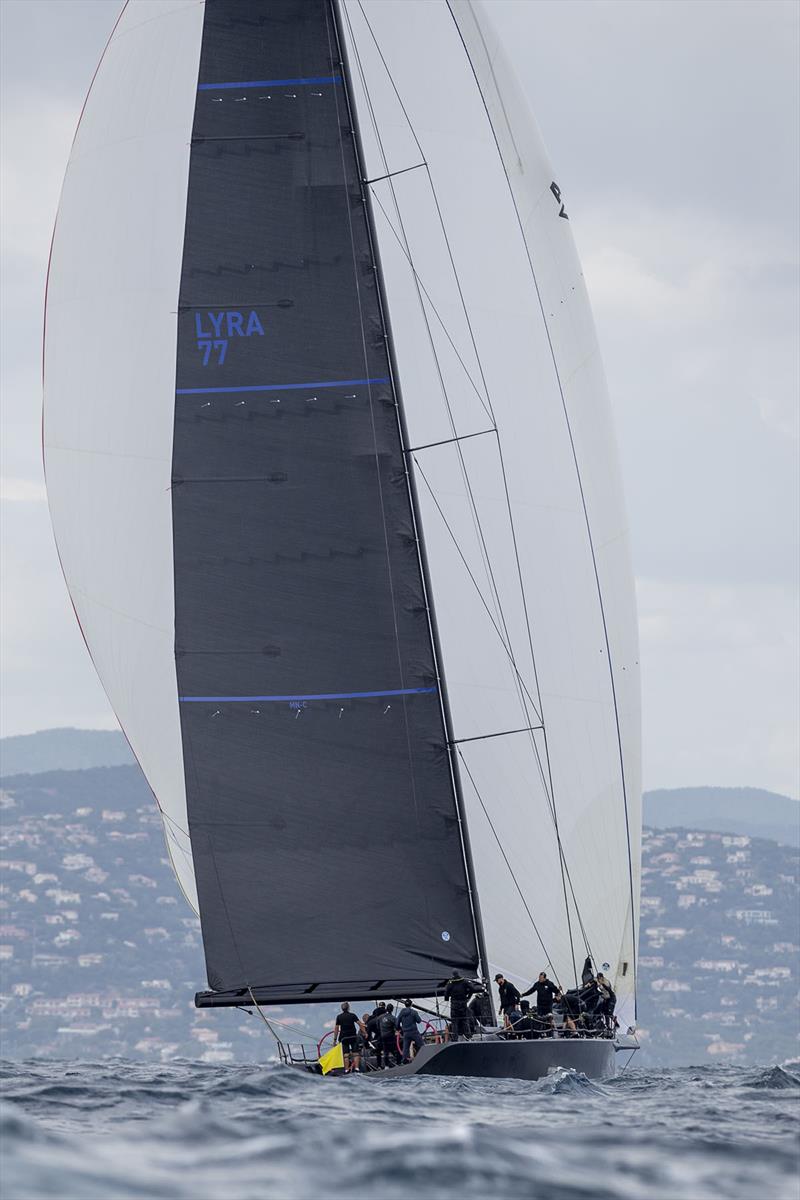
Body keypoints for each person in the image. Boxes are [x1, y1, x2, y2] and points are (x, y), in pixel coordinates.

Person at [444, 970, 478, 1042]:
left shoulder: (450, 983)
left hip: (454, 1005)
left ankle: (455, 1040)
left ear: (453, 975)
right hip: (463, 1004)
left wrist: (446, 999)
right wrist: (468, 996)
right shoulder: (465, 981)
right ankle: (469, 1037)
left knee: (454, 1022)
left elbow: (446, 993)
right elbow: (473, 989)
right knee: (465, 1021)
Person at [333, 1001, 361, 1072]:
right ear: (348, 1008)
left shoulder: (339, 1017)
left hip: (344, 1038)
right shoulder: (353, 1015)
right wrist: (365, 1032)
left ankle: (346, 1069)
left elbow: (336, 1028)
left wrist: (335, 1040)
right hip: (353, 1036)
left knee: (346, 1055)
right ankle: (357, 1068)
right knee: (356, 1053)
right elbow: (360, 1024)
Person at [378, 1002, 398, 1068]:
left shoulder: (380, 1017)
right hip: (390, 1036)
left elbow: (377, 1026)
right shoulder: (393, 1018)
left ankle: (386, 1066)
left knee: (385, 1051)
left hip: (383, 1036)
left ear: (386, 1009)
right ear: (392, 1009)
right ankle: (398, 1062)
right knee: (395, 1050)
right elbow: (397, 1027)